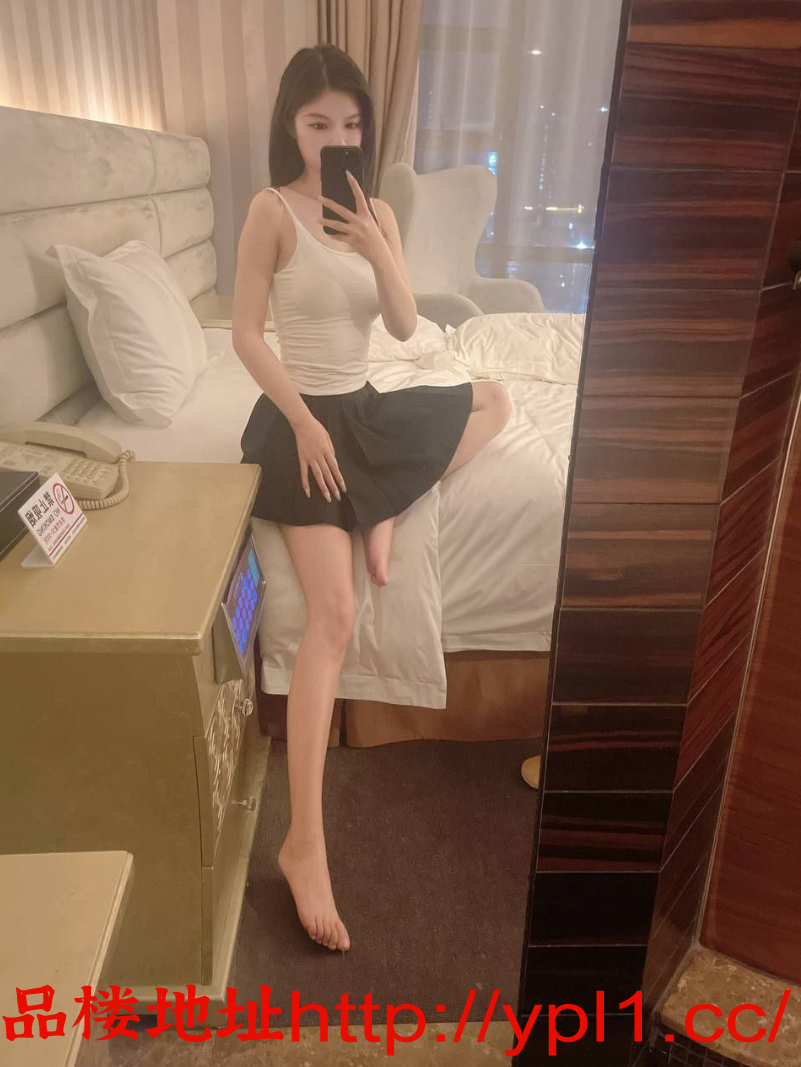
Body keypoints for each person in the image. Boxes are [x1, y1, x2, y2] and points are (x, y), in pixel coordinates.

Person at [232, 43, 511, 954]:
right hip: (299, 423)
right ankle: (303, 843)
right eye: (318, 123)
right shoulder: (270, 210)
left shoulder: (374, 208)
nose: (334, 138)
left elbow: (401, 323)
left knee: (492, 399)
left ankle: (384, 500)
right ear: (291, 125)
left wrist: (377, 245)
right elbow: (244, 335)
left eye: (350, 124)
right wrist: (298, 423)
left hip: (359, 407)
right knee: (335, 613)